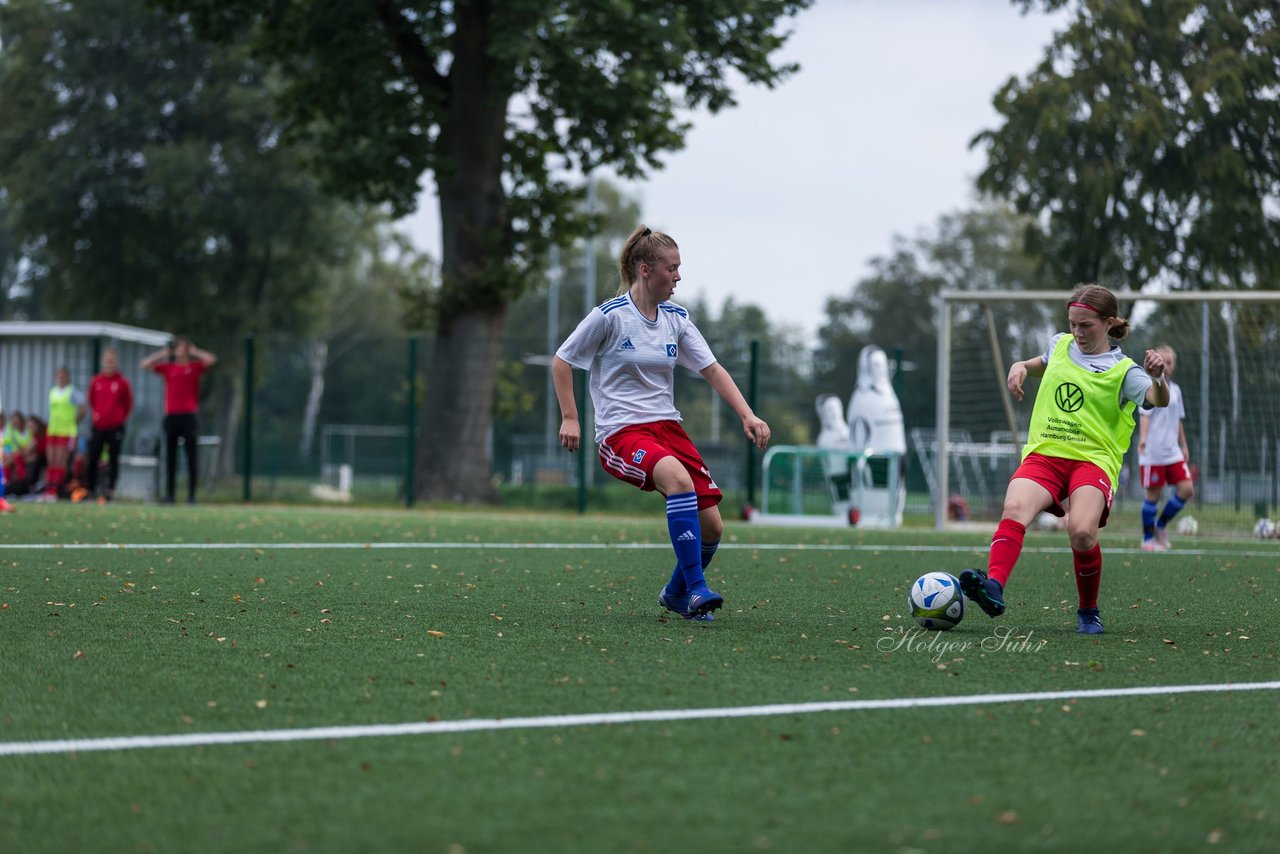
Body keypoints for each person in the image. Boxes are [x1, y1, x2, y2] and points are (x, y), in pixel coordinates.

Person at [552, 225, 771, 621]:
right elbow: (562, 360)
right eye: (672, 268)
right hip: (622, 433)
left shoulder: (676, 319)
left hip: (668, 429)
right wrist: (571, 417)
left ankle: (675, 593)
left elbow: (713, 369)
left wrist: (747, 413)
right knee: (678, 481)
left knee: (713, 528)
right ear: (644, 270)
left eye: (679, 267)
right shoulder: (609, 316)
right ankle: (697, 590)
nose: (678, 276)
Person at [959, 284, 1170, 635]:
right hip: (1045, 454)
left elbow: (1156, 400)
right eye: (1072, 323)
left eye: (1085, 325)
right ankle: (993, 587)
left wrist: (1159, 377)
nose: (1077, 332)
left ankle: (1088, 611)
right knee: (1014, 510)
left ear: (1108, 323)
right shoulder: (1059, 344)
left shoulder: (1125, 371)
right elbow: (1041, 364)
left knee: (1083, 531)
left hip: (1093, 461)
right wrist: (1019, 366)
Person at [141, 336, 217, 504]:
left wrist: (195, 351)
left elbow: (212, 360)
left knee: (191, 457)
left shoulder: (194, 367)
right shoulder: (168, 368)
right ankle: (170, 495)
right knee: (171, 458)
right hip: (171, 416)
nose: (180, 351)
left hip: (189, 417)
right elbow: (144, 364)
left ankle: (191, 496)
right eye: (178, 348)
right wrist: (162, 353)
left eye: (184, 348)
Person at [1138, 344, 1193, 551]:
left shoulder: (1176, 390)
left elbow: (1178, 420)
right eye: (1163, 361)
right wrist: (1143, 440)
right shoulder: (1149, 388)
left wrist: (1184, 446)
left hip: (1173, 452)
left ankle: (1160, 526)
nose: (1166, 366)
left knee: (1186, 489)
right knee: (1153, 495)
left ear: (1174, 366)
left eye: (1169, 363)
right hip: (1153, 451)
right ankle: (1147, 539)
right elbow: (1145, 416)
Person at [86, 347, 134, 502]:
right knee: (93, 457)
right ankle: (90, 489)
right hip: (98, 426)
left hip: (115, 427)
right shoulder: (96, 381)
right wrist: (98, 415)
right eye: (107, 360)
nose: (109, 363)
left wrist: (119, 418)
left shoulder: (122, 382)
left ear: (116, 362)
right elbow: (91, 400)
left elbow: (128, 403)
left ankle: (111, 490)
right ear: (103, 361)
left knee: (114, 459)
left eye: (112, 360)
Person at [45, 366, 87, 499]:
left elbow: (83, 407)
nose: (60, 377)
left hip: (66, 431)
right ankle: (49, 489)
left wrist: (76, 421)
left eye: (63, 375)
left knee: (60, 461)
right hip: (53, 430)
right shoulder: (52, 391)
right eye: (58, 375)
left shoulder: (72, 391)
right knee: (51, 461)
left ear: (68, 377)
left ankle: (56, 490)